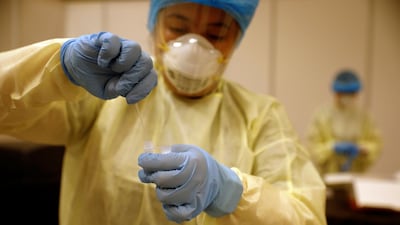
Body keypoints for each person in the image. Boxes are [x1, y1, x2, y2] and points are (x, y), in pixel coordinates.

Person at [0, 0, 327, 224]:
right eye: (177, 28)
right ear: (154, 25)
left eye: (215, 34)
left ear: (236, 39)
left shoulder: (261, 116)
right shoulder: (105, 91)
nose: (195, 46)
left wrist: (228, 189)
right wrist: (57, 68)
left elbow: (306, 217)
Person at [306, 70, 382, 176]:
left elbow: (375, 144)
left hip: (356, 175)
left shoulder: (364, 117)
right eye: (343, 93)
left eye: (351, 93)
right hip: (327, 176)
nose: (347, 97)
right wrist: (332, 147)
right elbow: (312, 148)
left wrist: (361, 149)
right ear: (336, 93)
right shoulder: (321, 116)